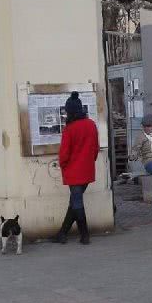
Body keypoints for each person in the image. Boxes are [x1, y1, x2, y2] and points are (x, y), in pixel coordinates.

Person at [50, 92, 99, 245]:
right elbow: (95, 148)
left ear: (69, 111)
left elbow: (64, 154)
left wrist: (63, 165)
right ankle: (62, 234)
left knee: (76, 203)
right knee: (74, 202)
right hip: (87, 168)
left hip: (73, 171)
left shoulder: (69, 129)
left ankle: (85, 235)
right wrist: (90, 161)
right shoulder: (91, 124)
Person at [130, 114, 152, 215]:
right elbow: (135, 149)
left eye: (149, 126)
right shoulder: (141, 137)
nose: (146, 128)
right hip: (150, 161)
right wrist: (133, 155)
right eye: (144, 126)